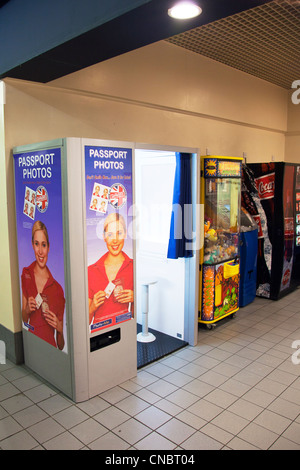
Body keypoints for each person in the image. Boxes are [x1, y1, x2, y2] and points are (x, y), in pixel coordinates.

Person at [21, 221, 65, 350]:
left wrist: (60, 330)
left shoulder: (57, 289)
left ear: (48, 247)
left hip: (50, 350)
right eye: (36, 244)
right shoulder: (26, 274)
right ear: (32, 245)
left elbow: (61, 346)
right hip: (31, 344)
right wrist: (27, 310)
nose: (40, 251)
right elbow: (24, 320)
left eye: (43, 245)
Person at [88, 213, 133, 325]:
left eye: (119, 233)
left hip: (124, 330)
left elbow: (136, 318)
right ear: (104, 237)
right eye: (110, 234)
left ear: (125, 234)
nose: (115, 240)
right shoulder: (90, 271)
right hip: (99, 336)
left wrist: (134, 299)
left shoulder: (133, 267)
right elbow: (85, 323)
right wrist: (92, 306)